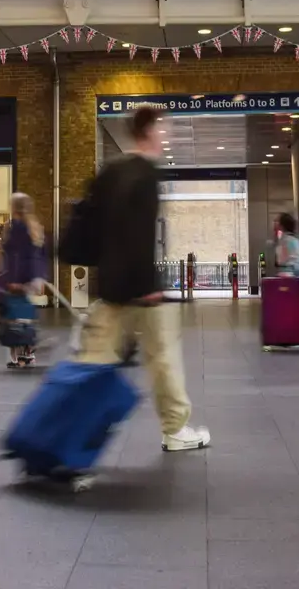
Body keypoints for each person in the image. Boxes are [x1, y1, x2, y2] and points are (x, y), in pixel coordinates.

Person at [79, 105, 210, 452]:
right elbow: (139, 236)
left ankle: (72, 433)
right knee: (163, 358)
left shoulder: (111, 171)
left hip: (110, 288)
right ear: (150, 130)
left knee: (94, 362)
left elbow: (94, 227)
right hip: (142, 290)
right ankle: (175, 429)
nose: (167, 134)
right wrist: (148, 287)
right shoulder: (146, 175)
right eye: (164, 127)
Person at [0, 192, 46, 368]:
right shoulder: (35, 227)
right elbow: (39, 255)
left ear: (14, 208)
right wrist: (39, 277)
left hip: (19, 277)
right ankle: (28, 353)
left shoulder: (17, 227)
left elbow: (16, 255)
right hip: (33, 278)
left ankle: (17, 357)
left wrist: (14, 280)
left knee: (14, 316)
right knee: (26, 316)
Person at [273, 213, 299, 280]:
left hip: (291, 278)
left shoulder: (289, 240)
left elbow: (295, 261)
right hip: (291, 276)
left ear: (282, 225)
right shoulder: (287, 239)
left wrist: (287, 273)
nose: (275, 223)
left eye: (277, 221)